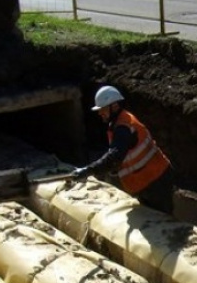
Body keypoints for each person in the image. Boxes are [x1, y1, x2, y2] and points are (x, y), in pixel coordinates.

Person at [73, 85, 175, 214]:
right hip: (150, 179)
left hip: (155, 180)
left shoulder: (123, 127)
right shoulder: (119, 123)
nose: (100, 113)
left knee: (162, 219)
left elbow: (114, 157)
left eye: (102, 109)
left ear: (114, 106)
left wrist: (88, 170)